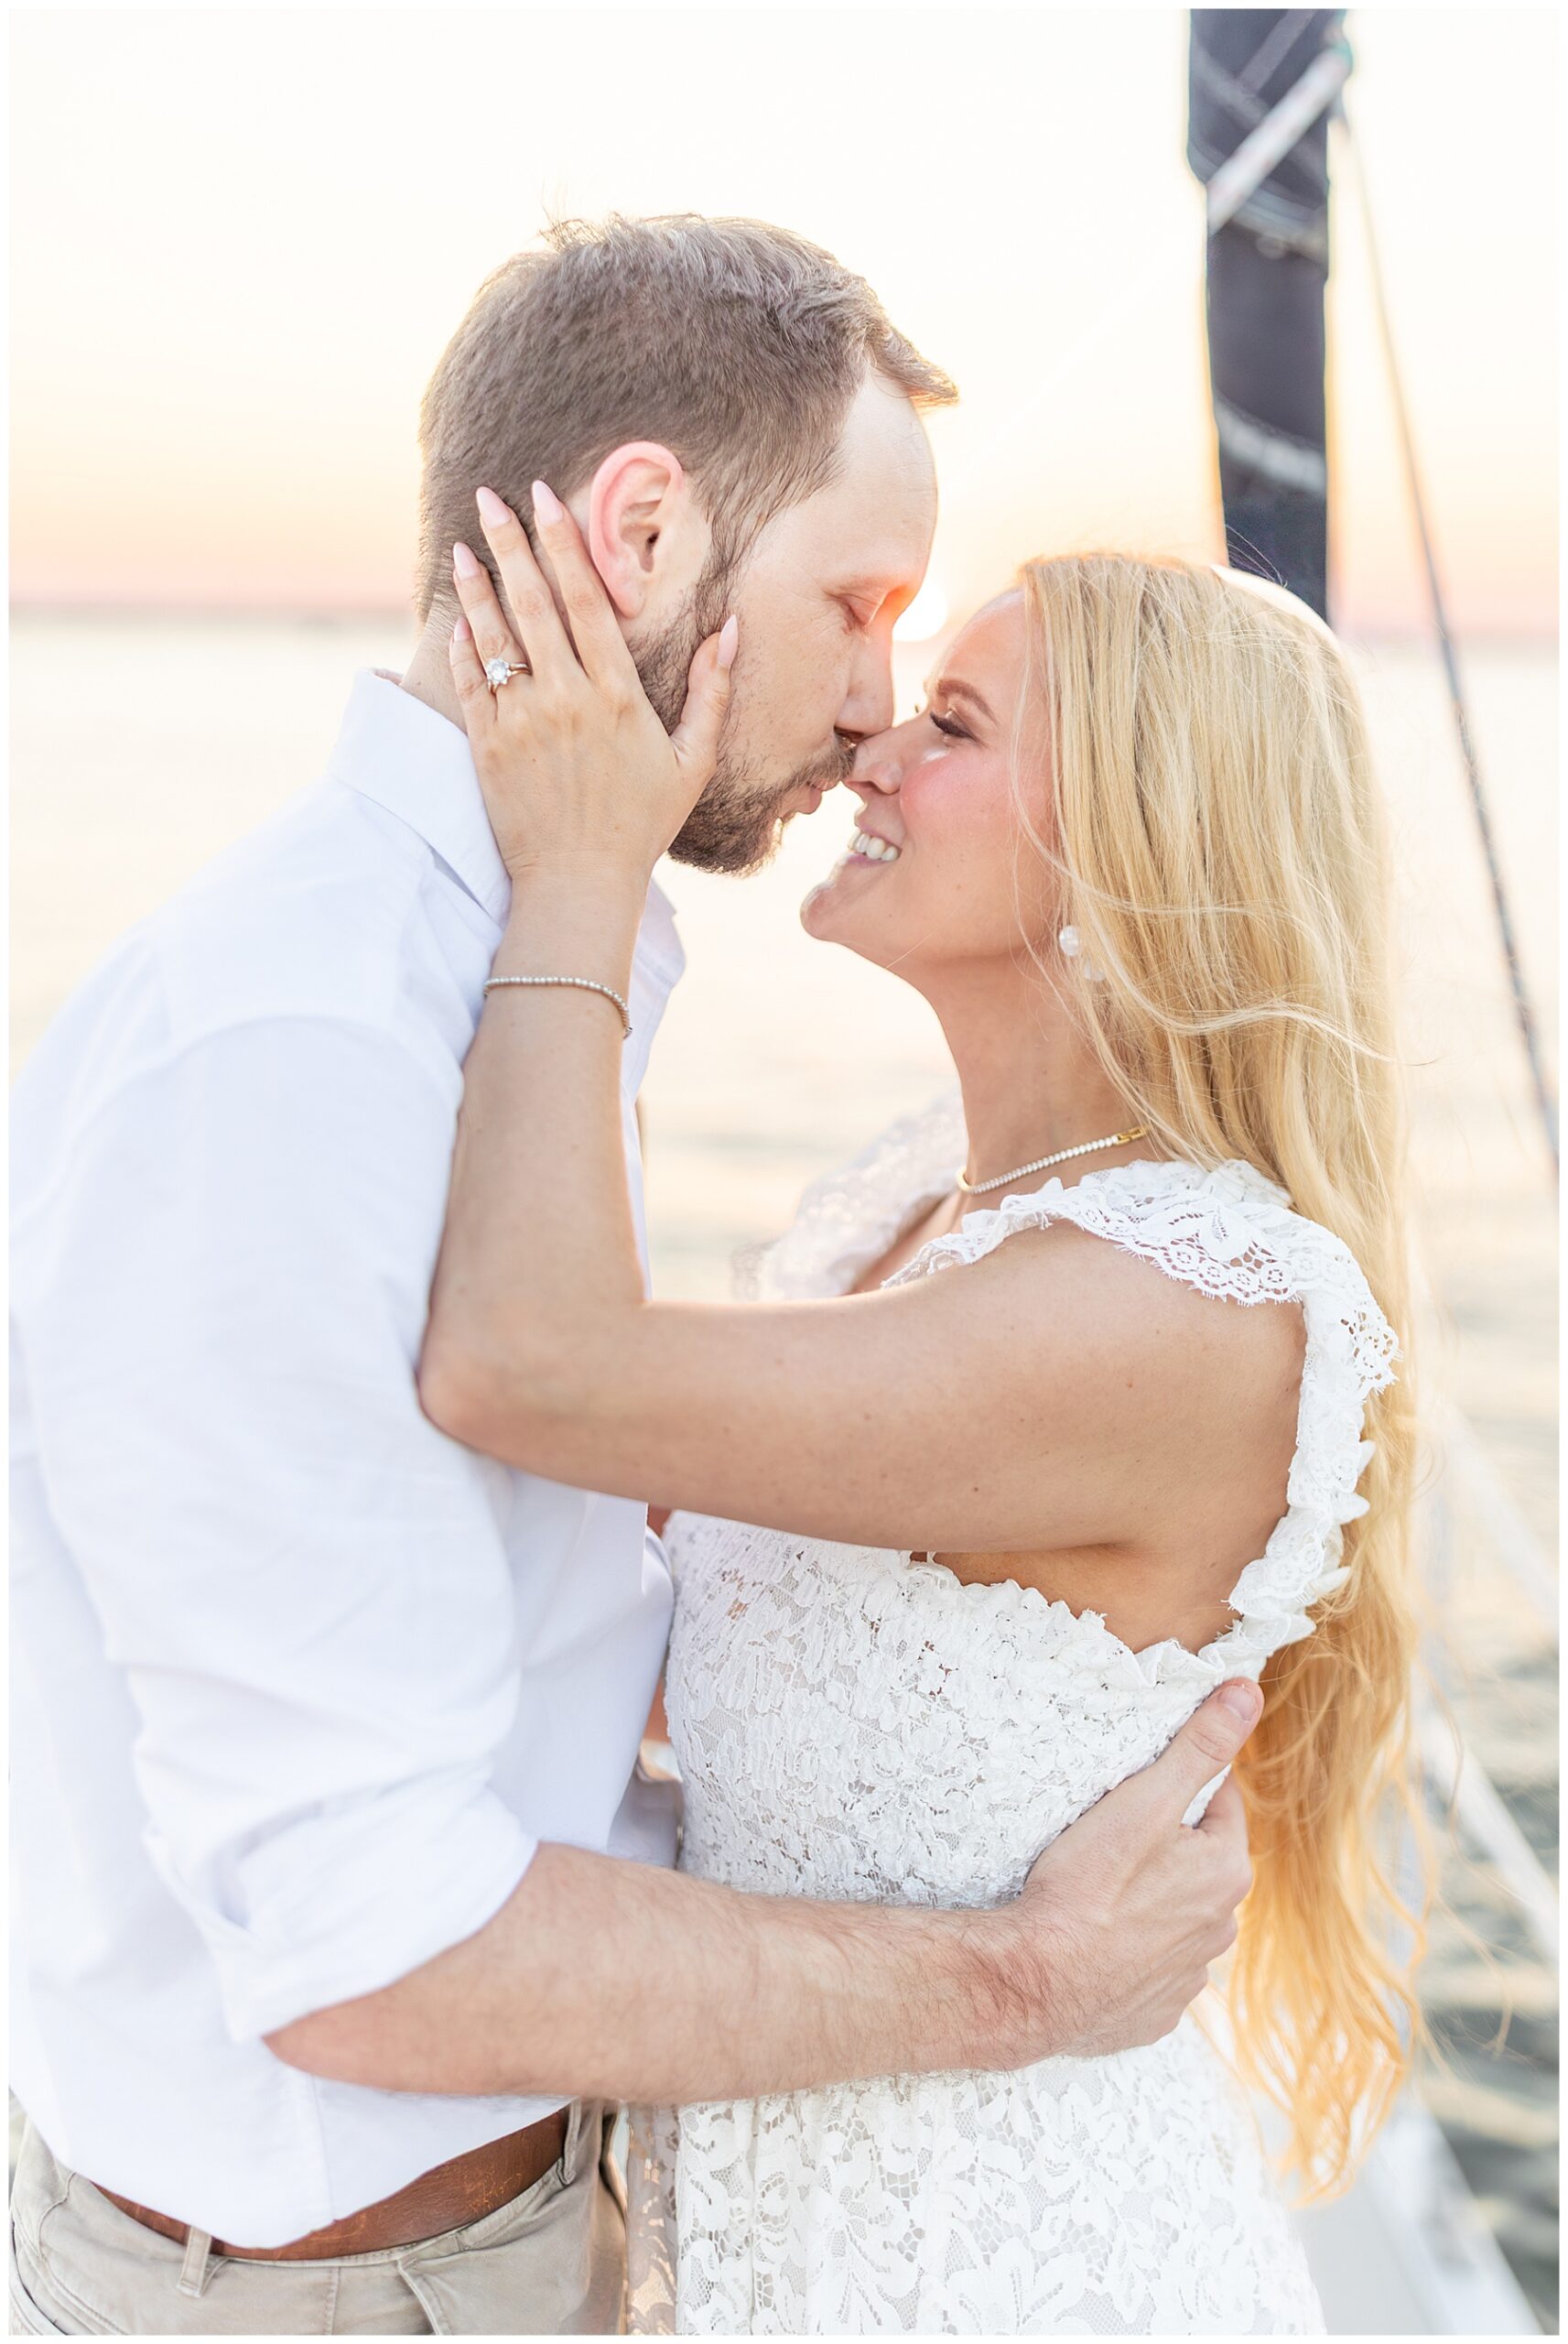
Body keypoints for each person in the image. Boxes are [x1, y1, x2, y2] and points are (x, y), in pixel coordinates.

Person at [9, 217, 1260, 2339]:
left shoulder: (505, 987)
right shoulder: (310, 1049)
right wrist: (1022, 1975)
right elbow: (363, 1942)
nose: (871, 700)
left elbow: (517, 1661)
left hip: (511, 2233)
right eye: (854, 606)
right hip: (336, 2293)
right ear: (645, 527)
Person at [416, 494, 1425, 2334]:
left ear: (1131, 851)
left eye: (953, 724)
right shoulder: (895, 1218)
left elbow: (523, 1360)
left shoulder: (1174, 1302)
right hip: (777, 2250)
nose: (871, 737)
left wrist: (579, 864)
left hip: (1007, 2275)